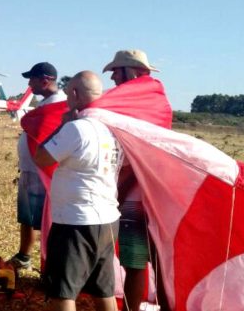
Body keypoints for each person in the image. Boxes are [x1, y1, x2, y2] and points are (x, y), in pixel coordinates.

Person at [34, 71, 120, 311]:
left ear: (73, 93)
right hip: (107, 220)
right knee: (104, 290)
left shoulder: (76, 129)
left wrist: (62, 126)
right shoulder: (111, 129)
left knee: (62, 292)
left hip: (76, 222)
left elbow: (41, 157)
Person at [102, 49, 170, 311]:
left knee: (135, 261)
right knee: (158, 260)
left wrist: (118, 190)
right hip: (159, 192)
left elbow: (136, 156)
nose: (112, 79)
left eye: (115, 72)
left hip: (135, 195)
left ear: (128, 71)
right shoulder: (157, 101)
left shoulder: (129, 105)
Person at [8, 62, 68, 271]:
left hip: (43, 173)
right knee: (27, 217)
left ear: (45, 80)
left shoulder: (59, 105)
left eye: (32, 79)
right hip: (30, 170)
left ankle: (50, 263)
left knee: (47, 220)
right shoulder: (45, 104)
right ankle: (24, 256)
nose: (29, 84)